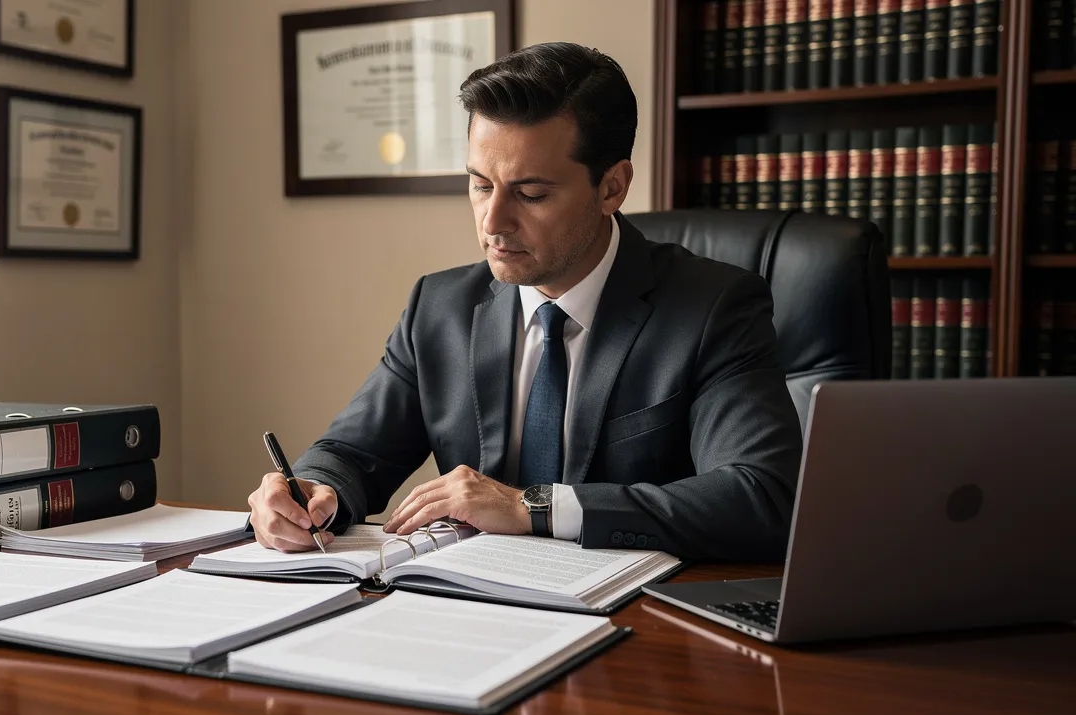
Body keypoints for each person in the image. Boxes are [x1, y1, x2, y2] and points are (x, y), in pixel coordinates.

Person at [246, 42, 802, 561]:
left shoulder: (714, 308)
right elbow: (351, 453)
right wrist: (314, 490)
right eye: (480, 184)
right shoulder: (438, 306)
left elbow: (759, 496)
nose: (493, 222)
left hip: (639, 625)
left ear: (612, 186)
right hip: (465, 611)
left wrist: (533, 507)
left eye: (531, 194)